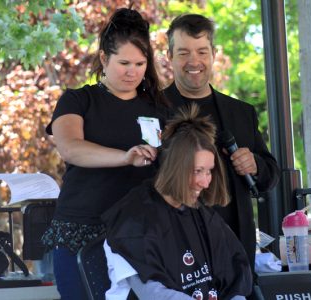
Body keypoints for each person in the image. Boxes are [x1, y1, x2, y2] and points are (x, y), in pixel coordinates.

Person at [41, 7, 169, 300]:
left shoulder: (160, 109)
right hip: (80, 229)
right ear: (103, 58)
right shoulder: (77, 100)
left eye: (139, 63)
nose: (132, 71)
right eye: (123, 62)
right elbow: (71, 148)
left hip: (140, 234)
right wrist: (125, 157)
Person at [163, 13, 280, 275]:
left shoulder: (241, 112)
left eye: (202, 52)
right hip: (175, 248)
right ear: (169, 56)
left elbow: (270, 177)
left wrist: (255, 165)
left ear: (214, 54)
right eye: (183, 53)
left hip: (234, 249)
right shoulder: (153, 110)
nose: (194, 61)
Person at [102, 104, 253, 299]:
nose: (205, 182)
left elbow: (235, 273)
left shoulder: (200, 213)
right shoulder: (132, 220)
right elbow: (152, 293)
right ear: (176, 168)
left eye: (209, 171)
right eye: (198, 171)